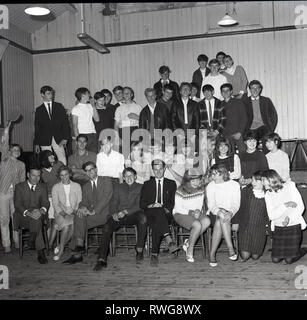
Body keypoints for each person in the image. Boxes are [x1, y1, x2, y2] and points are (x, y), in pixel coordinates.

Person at [94, 167, 148, 270]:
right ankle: (102, 259)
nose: (129, 178)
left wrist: (126, 211)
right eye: (126, 176)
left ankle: (139, 249)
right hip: (119, 215)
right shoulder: (118, 187)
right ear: (123, 177)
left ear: (135, 176)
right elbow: (113, 202)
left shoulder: (141, 187)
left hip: (134, 214)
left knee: (143, 218)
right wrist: (114, 213)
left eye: (131, 175)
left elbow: (141, 204)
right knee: (107, 226)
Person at [63, 161, 113, 264]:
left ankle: (77, 253)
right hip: (92, 215)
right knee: (79, 216)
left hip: (105, 214)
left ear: (96, 169)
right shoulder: (85, 186)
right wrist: (81, 207)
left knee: (78, 223)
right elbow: (84, 201)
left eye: (91, 169)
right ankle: (79, 247)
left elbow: (106, 198)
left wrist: (94, 211)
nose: (89, 172)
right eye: (87, 171)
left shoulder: (106, 180)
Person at [140, 159, 179, 266]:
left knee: (159, 216)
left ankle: (154, 254)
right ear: (152, 170)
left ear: (164, 168)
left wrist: (164, 208)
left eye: (160, 169)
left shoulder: (171, 183)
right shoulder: (147, 184)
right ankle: (167, 237)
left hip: (166, 214)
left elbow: (172, 202)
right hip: (150, 214)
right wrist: (152, 205)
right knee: (157, 213)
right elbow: (142, 204)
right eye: (155, 169)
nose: (158, 172)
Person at [262, 169, 307, 264]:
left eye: (266, 183)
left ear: (273, 180)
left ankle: (302, 251)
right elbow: (271, 215)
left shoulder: (290, 187)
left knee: (289, 260)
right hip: (279, 227)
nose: (264, 186)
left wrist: (289, 218)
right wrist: (285, 205)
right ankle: (291, 252)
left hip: (293, 225)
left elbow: (300, 207)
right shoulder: (268, 194)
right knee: (275, 260)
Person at [206, 164, 241, 267]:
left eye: (215, 174)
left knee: (220, 221)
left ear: (223, 174)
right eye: (212, 174)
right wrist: (218, 211)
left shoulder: (234, 185)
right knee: (220, 218)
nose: (213, 177)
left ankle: (212, 254)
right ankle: (231, 248)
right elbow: (211, 205)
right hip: (214, 213)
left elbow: (236, 203)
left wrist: (230, 212)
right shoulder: (211, 186)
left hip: (232, 212)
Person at [173, 168, 210, 263]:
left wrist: (198, 210)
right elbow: (178, 208)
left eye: (197, 180)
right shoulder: (180, 190)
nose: (196, 182)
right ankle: (190, 250)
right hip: (180, 213)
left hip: (194, 212)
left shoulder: (201, 188)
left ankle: (189, 242)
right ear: (187, 180)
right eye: (193, 180)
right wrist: (192, 213)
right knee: (197, 225)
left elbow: (199, 204)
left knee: (207, 221)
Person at [14, 167, 50, 264]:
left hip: (38, 214)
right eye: (33, 175)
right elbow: (17, 204)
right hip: (24, 216)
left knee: (37, 220)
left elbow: (46, 203)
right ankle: (39, 249)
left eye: (38, 176)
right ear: (28, 175)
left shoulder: (42, 187)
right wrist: (29, 213)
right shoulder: (19, 186)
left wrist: (40, 211)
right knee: (36, 220)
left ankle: (35, 244)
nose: (36, 178)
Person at [232, 171, 269, 261]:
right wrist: (235, 222)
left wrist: (268, 228)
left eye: (257, 180)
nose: (253, 182)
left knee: (255, 257)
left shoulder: (268, 194)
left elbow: (269, 214)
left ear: (264, 181)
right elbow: (238, 208)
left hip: (260, 229)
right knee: (245, 256)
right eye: (252, 180)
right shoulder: (245, 191)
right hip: (246, 227)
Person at [0, 122, 26, 253]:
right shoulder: (5, 159)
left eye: (18, 150)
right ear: (9, 152)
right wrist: (7, 131)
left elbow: (22, 182)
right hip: (3, 193)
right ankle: (6, 244)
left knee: (15, 218)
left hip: (15, 194)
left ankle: (17, 242)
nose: (16, 151)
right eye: (14, 150)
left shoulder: (21, 165)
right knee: (4, 219)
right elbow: (4, 145)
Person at [51, 165, 82, 261]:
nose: (64, 177)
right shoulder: (56, 187)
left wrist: (74, 211)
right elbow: (55, 204)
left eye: (66, 174)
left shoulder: (77, 186)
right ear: (59, 176)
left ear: (70, 174)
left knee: (73, 225)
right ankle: (61, 252)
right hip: (60, 213)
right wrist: (63, 213)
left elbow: (80, 201)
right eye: (61, 175)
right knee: (66, 226)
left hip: (73, 212)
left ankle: (60, 247)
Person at [34, 85, 70, 165]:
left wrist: (65, 138)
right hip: (44, 139)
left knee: (62, 158)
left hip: (59, 138)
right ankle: (49, 176)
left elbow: (65, 123)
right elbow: (37, 127)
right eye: (48, 93)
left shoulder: (59, 106)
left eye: (52, 93)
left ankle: (63, 175)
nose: (51, 95)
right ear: (42, 95)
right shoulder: (39, 110)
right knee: (46, 159)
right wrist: (36, 143)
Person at [243, 80, 278, 146]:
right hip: (250, 129)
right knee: (249, 146)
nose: (255, 90)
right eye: (253, 88)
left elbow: (274, 116)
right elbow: (241, 117)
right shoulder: (244, 102)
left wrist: (271, 129)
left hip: (263, 127)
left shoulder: (266, 101)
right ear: (250, 89)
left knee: (268, 144)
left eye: (257, 88)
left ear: (260, 89)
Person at [40, 150, 63, 241]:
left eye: (52, 154)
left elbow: (66, 177)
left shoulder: (59, 164)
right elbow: (40, 187)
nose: (53, 156)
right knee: (49, 218)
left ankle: (58, 240)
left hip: (60, 194)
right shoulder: (41, 170)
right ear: (45, 159)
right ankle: (50, 241)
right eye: (50, 156)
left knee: (58, 217)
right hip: (48, 196)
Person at [220, 83, 247, 153]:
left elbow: (244, 118)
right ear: (221, 93)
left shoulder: (238, 102)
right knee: (229, 155)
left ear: (231, 91)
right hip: (226, 134)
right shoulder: (220, 104)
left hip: (238, 133)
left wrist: (240, 132)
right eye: (223, 91)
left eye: (227, 90)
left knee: (243, 153)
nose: (225, 92)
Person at [71, 87, 99, 153]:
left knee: (93, 155)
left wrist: (93, 106)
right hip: (82, 134)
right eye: (88, 93)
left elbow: (97, 119)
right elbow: (75, 125)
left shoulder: (90, 106)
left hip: (92, 133)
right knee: (82, 155)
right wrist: (77, 139)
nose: (89, 95)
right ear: (83, 95)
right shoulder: (76, 108)